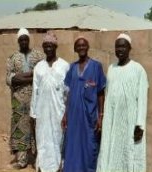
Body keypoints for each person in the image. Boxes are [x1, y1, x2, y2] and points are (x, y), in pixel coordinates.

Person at [97, 33, 148, 172]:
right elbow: (108, 96)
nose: (120, 50)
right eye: (117, 47)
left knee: (129, 154)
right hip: (113, 122)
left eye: (123, 46)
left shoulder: (138, 69)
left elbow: (143, 99)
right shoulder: (111, 69)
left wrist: (140, 124)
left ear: (129, 48)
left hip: (130, 122)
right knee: (111, 151)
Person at [62, 36, 106, 172]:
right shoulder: (71, 67)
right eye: (78, 46)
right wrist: (65, 113)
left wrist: (100, 115)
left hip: (89, 117)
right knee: (73, 146)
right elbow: (68, 92)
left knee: (89, 146)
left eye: (83, 45)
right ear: (75, 49)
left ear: (88, 47)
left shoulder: (96, 66)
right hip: (74, 116)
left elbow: (100, 93)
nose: (81, 47)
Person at [30, 32, 69, 172]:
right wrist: (33, 114)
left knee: (58, 138)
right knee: (42, 138)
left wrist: (67, 113)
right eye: (45, 46)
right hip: (42, 112)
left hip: (59, 111)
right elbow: (35, 91)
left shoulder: (64, 65)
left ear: (55, 46)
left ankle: (59, 166)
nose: (48, 48)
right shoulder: (39, 67)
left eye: (51, 45)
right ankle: (42, 166)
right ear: (43, 47)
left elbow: (67, 92)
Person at [6, 28, 44, 169]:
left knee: (37, 128)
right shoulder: (12, 58)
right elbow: (10, 79)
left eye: (25, 39)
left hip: (36, 99)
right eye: (21, 39)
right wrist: (30, 75)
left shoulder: (38, 56)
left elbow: (41, 74)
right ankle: (22, 160)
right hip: (19, 100)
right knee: (20, 129)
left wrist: (21, 76)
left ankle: (38, 159)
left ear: (29, 40)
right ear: (18, 41)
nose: (23, 41)